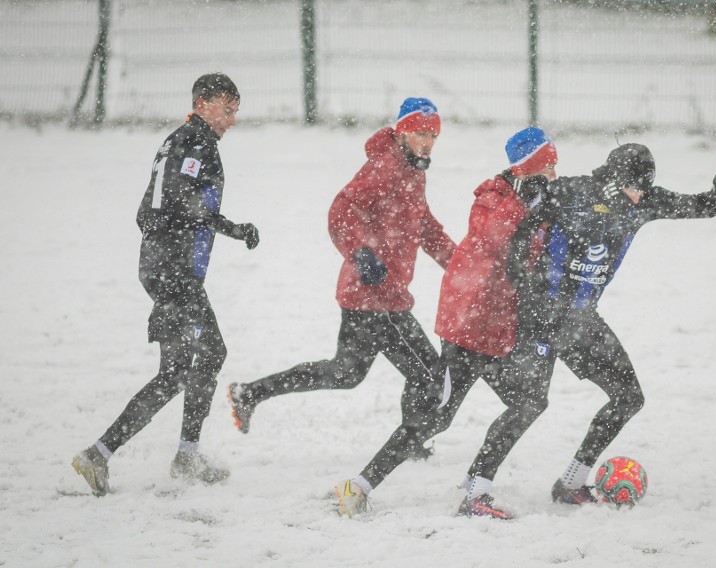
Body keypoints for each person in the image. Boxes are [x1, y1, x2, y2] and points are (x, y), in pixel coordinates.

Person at [456, 142, 716, 518]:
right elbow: (521, 230)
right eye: (634, 187)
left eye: (644, 188)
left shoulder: (644, 201)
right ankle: (476, 492)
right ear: (616, 179)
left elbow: (701, 207)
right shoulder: (571, 191)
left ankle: (571, 483)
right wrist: (522, 285)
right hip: (540, 317)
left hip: (581, 321)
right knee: (530, 403)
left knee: (628, 397)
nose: (639, 196)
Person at [332, 127, 558, 518]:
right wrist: (536, 209)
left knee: (529, 401)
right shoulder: (492, 199)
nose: (555, 177)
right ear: (531, 169)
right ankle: (357, 487)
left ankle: (477, 489)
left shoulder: (533, 199)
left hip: (500, 329)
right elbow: (499, 238)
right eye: (549, 167)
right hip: (469, 328)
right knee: (435, 418)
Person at [226, 98, 456, 460]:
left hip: (365, 294)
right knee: (429, 373)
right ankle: (412, 446)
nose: (427, 142)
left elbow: (426, 228)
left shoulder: (413, 171)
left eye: (433, 135)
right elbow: (340, 211)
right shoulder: (386, 168)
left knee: (345, 373)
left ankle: (251, 392)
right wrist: (361, 252)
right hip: (377, 296)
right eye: (419, 133)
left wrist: (460, 266)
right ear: (402, 132)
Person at [71, 73, 260, 496]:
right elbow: (181, 200)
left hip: (164, 268)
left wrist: (161, 251)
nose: (231, 120)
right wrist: (230, 228)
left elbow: (147, 210)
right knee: (200, 360)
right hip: (174, 273)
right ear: (204, 103)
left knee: (182, 368)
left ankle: (134, 453)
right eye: (227, 110)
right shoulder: (197, 143)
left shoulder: (175, 141)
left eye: (235, 112)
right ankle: (154, 454)